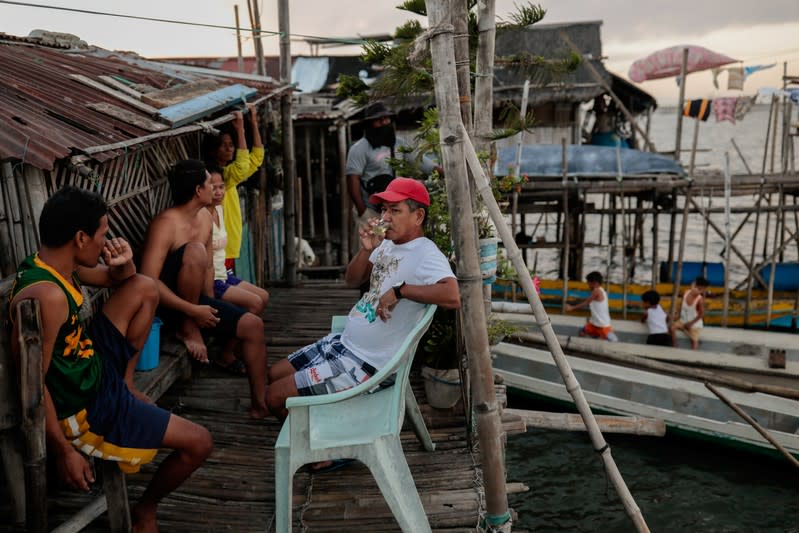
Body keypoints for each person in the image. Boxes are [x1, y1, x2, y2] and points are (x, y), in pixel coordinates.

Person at [8, 186, 212, 532]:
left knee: (144, 286)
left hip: (92, 368)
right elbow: (32, 386)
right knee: (199, 442)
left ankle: (125, 383)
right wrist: (63, 451)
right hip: (86, 405)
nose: (106, 243)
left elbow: (122, 280)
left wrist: (125, 264)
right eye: (103, 235)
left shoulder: (52, 263)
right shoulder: (48, 297)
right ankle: (146, 510)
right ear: (80, 237)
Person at [266, 177, 460, 468]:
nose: (385, 217)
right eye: (384, 210)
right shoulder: (386, 244)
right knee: (274, 373)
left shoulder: (425, 254)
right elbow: (352, 280)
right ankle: (320, 426)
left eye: (395, 211)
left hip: (364, 365)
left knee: (273, 397)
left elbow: (452, 295)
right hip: (342, 344)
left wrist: (401, 290)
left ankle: (330, 452)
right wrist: (367, 249)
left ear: (418, 216)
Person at [140, 159, 269, 418]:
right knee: (195, 250)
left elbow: (209, 269)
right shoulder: (165, 224)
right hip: (168, 307)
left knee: (253, 325)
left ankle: (260, 404)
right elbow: (148, 280)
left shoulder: (205, 218)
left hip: (196, 302)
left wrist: (211, 309)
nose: (215, 188)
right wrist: (191, 312)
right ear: (198, 191)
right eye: (210, 183)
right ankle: (187, 328)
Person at [345, 102, 442, 249]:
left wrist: (442, 171)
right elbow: (353, 180)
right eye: (379, 120)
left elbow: (421, 162)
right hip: (371, 210)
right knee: (370, 248)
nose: (384, 122)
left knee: (391, 248)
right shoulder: (359, 149)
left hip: (392, 210)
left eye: (386, 119)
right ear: (369, 124)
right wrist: (363, 211)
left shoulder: (398, 144)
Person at [203, 102, 264, 273]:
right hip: (221, 245)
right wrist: (240, 129)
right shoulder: (221, 177)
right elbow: (242, 166)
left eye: (232, 144)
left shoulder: (229, 176)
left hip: (229, 243)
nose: (230, 148)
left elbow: (257, 158)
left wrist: (254, 124)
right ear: (213, 150)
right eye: (224, 145)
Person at [565, 271, 618, 342]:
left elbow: (586, 302)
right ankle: (595, 339)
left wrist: (572, 308)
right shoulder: (601, 291)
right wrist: (573, 302)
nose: (588, 285)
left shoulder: (597, 291)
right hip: (594, 324)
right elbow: (588, 300)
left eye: (589, 283)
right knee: (582, 332)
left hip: (602, 325)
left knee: (613, 341)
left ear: (595, 282)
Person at [671, 276, 709, 350]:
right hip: (683, 321)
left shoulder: (699, 300)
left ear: (703, 291)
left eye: (700, 289)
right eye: (695, 286)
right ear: (692, 284)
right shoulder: (686, 293)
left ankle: (693, 356)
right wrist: (677, 314)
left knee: (694, 340)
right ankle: (674, 346)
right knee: (672, 328)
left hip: (694, 324)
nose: (696, 290)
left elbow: (701, 314)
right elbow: (681, 305)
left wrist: (691, 323)